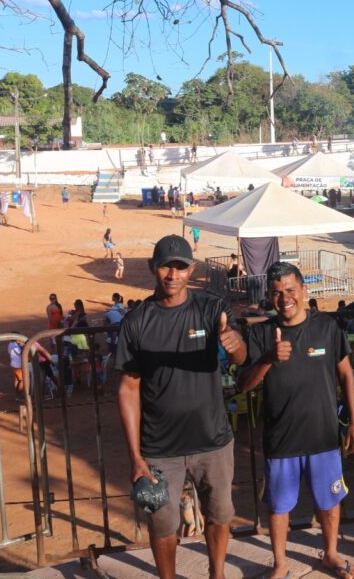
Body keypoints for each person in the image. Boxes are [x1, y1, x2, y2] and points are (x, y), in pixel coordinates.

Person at [116, 234, 246, 579]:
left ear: (191, 270)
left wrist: (235, 345)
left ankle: (217, 574)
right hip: (159, 450)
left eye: (181, 267)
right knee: (162, 525)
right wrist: (135, 456)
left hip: (213, 441)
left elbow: (240, 356)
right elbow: (128, 389)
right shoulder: (136, 322)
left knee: (220, 515)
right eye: (165, 267)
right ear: (153, 267)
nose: (173, 275)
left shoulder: (211, 309)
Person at [239, 262, 354, 579]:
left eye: (291, 290)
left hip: (323, 435)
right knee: (279, 506)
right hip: (281, 439)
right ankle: (280, 564)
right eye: (277, 293)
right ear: (270, 296)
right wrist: (268, 358)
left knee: (329, 500)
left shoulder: (327, 327)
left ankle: (331, 553)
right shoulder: (261, 333)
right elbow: (244, 384)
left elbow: (346, 374)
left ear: (304, 290)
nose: (285, 298)